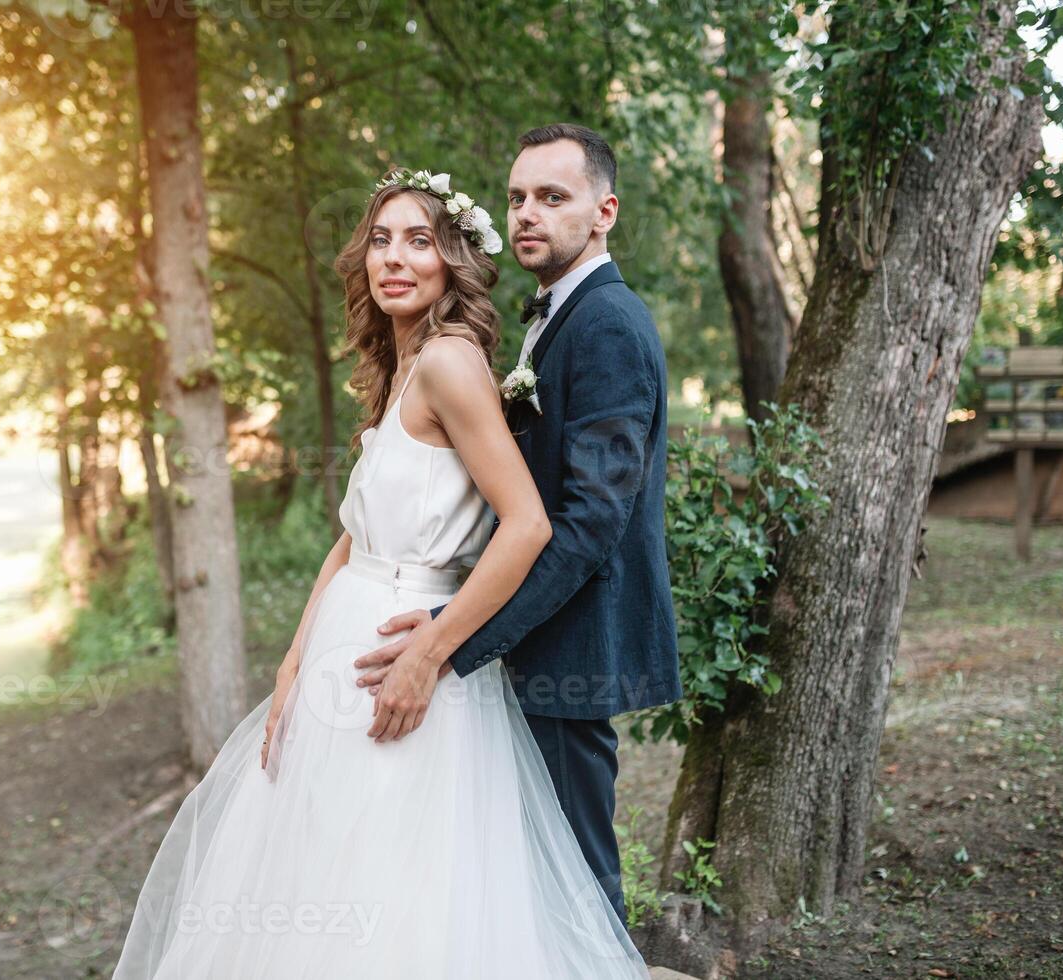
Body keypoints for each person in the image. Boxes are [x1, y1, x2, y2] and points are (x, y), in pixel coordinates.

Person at [110, 160, 650, 979]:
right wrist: (292, 662)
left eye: (420, 241)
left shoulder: (450, 364)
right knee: (316, 874)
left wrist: (431, 652)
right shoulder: (399, 367)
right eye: (381, 241)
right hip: (340, 649)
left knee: (395, 892)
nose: (396, 257)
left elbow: (531, 522)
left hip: (403, 657)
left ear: (451, 262)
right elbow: (349, 537)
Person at [351, 124, 682, 925]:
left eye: (553, 197)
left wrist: (454, 639)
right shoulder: (557, 316)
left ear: (604, 211)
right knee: (530, 881)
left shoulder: (607, 325)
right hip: (528, 644)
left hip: (569, 649)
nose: (528, 213)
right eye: (518, 197)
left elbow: (589, 522)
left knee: (578, 891)